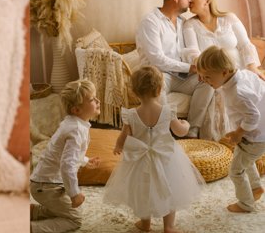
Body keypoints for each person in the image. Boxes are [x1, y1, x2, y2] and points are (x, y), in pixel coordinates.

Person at [104, 64, 203, 233]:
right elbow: (179, 131)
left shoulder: (131, 115)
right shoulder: (167, 111)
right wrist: (186, 125)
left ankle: (145, 224)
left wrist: (118, 146)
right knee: (169, 189)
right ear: (159, 89)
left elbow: (123, 136)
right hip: (167, 160)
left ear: (134, 92)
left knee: (143, 190)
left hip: (141, 160)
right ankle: (169, 227)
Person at [135, 0, 214, 138]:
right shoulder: (150, 22)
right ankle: (167, 130)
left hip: (180, 77)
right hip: (159, 74)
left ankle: (192, 130)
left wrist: (200, 66)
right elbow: (157, 59)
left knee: (208, 81)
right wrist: (190, 68)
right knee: (155, 86)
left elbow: (190, 50)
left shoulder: (183, 22)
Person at [197, 45, 265, 214]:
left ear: (225, 72)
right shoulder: (245, 75)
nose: (205, 80)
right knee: (244, 160)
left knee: (235, 171)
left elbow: (253, 116)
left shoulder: (237, 92)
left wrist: (238, 133)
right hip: (259, 133)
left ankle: (245, 204)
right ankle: (256, 188)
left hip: (255, 136)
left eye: (208, 77)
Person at [30, 77, 101, 232]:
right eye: (92, 99)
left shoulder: (72, 123)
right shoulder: (76, 130)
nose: (97, 100)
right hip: (48, 186)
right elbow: (67, 164)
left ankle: (34, 212)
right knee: (75, 219)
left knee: (66, 210)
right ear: (77, 110)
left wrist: (85, 160)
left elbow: (67, 154)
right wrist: (74, 193)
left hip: (43, 183)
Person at [183, 0, 262, 75]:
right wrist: (203, 72)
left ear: (207, 1)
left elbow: (245, 44)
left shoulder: (229, 18)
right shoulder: (189, 25)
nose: (190, 1)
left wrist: (252, 68)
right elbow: (193, 52)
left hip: (241, 72)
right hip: (213, 77)